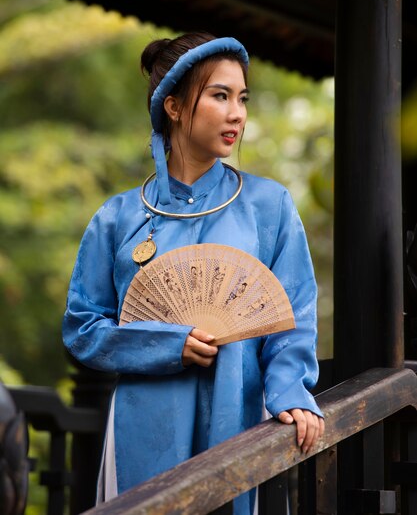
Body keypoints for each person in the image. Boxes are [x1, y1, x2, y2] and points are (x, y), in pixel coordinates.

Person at [62, 32, 324, 514]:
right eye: (220, 96)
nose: (237, 114)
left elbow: (294, 315)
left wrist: (291, 390)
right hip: (145, 419)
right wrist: (165, 344)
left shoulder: (269, 206)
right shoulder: (118, 218)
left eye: (242, 98)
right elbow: (83, 327)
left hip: (242, 413)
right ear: (175, 107)